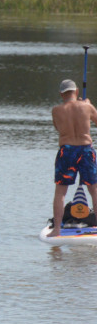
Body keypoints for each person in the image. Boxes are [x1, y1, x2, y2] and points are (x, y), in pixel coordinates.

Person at [50, 78, 97, 236]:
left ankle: (57, 229)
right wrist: (88, 105)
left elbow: (59, 128)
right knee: (94, 190)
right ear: (76, 92)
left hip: (67, 151)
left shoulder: (56, 110)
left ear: (61, 94)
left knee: (60, 192)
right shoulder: (87, 106)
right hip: (86, 150)